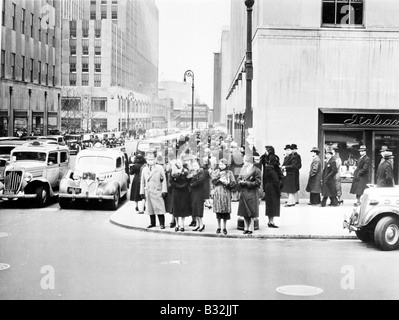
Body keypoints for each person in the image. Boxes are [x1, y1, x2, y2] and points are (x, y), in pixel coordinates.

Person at [139, 152, 168, 229]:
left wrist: (164, 190)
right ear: (146, 159)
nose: (150, 160)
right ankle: (152, 223)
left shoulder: (159, 168)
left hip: (157, 190)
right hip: (148, 191)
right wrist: (141, 192)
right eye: (148, 159)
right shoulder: (144, 169)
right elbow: (142, 181)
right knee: (150, 208)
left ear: (155, 159)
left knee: (159, 208)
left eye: (152, 159)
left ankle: (162, 223)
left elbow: (164, 180)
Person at [237, 155, 262, 235]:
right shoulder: (243, 169)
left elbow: (258, 183)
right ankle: (245, 227)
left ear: (249, 162)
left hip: (252, 193)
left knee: (251, 212)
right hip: (244, 192)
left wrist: (247, 183)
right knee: (244, 212)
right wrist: (240, 181)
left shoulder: (257, 170)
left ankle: (251, 228)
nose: (243, 162)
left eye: (245, 160)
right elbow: (239, 178)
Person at [260, 146, 284, 228]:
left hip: (268, 187)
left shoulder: (267, 168)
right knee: (273, 206)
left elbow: (263, 159)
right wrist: (279, 190)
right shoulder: (273, 170)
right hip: (273, 188)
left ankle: (270, 221)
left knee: (269, 205)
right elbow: (277, 180)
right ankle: (271, 222)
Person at [212, 158, 236, 235]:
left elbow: (233, 183)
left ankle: (224, 227)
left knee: (225, 211)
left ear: (226, 165)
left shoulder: (229, 173)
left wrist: (227, 183)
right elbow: (213, 181)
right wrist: (219, 179)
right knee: (218, 211)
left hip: (226, 193)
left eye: (222, 164)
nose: (221, 166)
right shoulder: (216, 172)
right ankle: (218, 227)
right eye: (220, 164)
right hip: (218, 193)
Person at [170, 159, 192, 232]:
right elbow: (171, 181)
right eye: (177, 163)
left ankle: (182, 225)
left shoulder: (185, 171)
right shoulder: (173, 171)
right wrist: (178, 186)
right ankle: (177, 224)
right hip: (176, 191)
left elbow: (188, 180)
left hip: (184, 191)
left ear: (182, 163)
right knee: (176, 208)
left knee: (183, 208)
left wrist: (183, 186)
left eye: (179, 163)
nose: (178, 164)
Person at [189, 160, 207, 232]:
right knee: (194, 208)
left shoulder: (201, 172)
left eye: (196, 165)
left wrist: (192, 183)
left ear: (198, 166)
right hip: (193, 192)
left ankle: (201, 224)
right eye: (194, 166)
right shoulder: (193, 173)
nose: (195, 167)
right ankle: (197, 224)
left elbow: (200, 180)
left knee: (198, 208)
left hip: (199, 192)